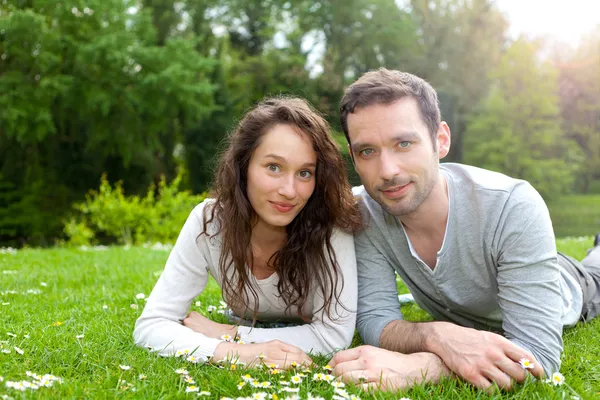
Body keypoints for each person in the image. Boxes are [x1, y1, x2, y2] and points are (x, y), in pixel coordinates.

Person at [329, 68, 600, 391]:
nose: (387, 171)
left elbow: (538, 356)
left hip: (574, 287)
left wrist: (425, 366)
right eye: (368, 151)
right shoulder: (362, 212)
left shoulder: (511, 205)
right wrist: (435, 334)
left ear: (441, 140)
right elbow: (375, 317)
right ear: (354, 158)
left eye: (404, 143)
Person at [134, 96, 362, 367]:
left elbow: (333, 336)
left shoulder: (330, 223)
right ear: (244, 166)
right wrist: (234, 353)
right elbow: (152, 324)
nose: (289, 191)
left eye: (304, 173)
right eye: (273, 167)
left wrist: (230, 333)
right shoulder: (209, 222)